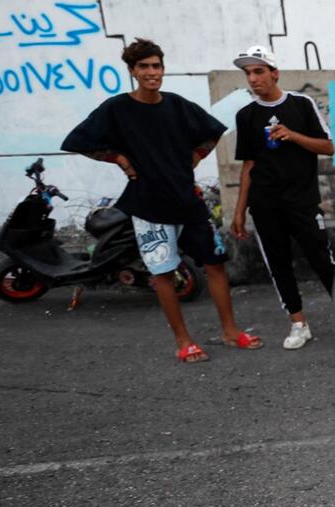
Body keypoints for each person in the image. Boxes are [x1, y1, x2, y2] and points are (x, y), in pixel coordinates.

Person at [61, 38, 262, 363]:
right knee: (164, 273)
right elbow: (78, 140)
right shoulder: (117, 108)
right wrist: (120, 160)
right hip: (148, 206)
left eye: (156, 66)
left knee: (215, 264)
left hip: (188, 200)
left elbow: (211, 131)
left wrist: (196, 156)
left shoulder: (177, 105)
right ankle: (183, 341)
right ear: (132, 71)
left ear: (163, 69)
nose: (151, 72)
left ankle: (230, 331)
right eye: (144, 67)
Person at [229, 45, 335, 349]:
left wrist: (292, 135)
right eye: (248, 73)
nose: (253, 79)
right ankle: (298, 324)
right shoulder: (246, 116)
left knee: (323, 261)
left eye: (259, 71)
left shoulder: (301, 105)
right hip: (265, 204)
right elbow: (248, 165)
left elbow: (329, 147)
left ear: (274, 73)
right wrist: (239, 211)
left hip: (302, 201)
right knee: (278, 265)